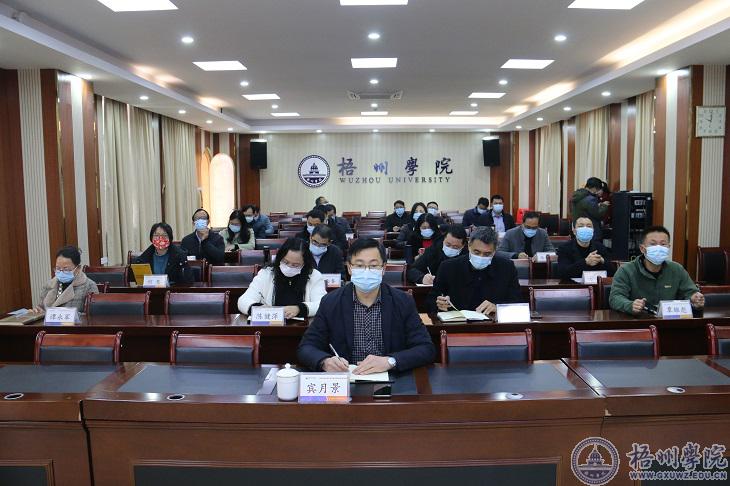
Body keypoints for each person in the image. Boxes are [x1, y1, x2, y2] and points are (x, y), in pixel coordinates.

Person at [297, 238, 435, 373]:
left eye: (373, 266)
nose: (366, 271)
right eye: (359, 265)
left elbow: (426, 348)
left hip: (391, 379)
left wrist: (390, 361)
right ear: (349, 268)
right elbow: (306, 347)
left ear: (383, 268)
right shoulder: (331, 302)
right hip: (347, 378)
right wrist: (324, 361)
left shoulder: (402, 301)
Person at [609, 226, 704, 315]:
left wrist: (695, 299)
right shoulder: (626, 270)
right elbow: (615, 298)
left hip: (669, 321)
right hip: (638, 321)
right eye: (653, 244)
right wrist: (630, 305)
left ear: (668, 247)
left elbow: (691, 293)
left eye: (663, 244)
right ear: (642, 248)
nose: (658, 248)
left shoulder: (677, 269)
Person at [430, 227, 522, 315]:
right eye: (476, 252)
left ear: (495, 251)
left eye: (487, 254)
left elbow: (517, 303)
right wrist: (439, 304)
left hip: (492, 322)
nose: (481, 257)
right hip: (457, 322)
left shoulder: (507, 268)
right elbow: (431, 300)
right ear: (469, 246)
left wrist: (497, 307)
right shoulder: (448, 267)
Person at [238, 237, 327, 318]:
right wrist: (259, 309)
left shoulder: (314, 276)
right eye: (285, 262)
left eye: (295, 265)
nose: (289, 267)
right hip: (270, 326)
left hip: (304, 328)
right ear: (279, 258)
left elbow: (322, 304)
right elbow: (243, 301)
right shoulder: (266, 273)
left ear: (304, 264)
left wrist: (299, 309)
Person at [35, 246, 99, 313]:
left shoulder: (89, 286)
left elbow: (94, 315)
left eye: (66, 269)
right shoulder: (48, 285)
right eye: (58, 268)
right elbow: (41, 308)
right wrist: (38, 311)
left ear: (78, 268)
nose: (61, 272)